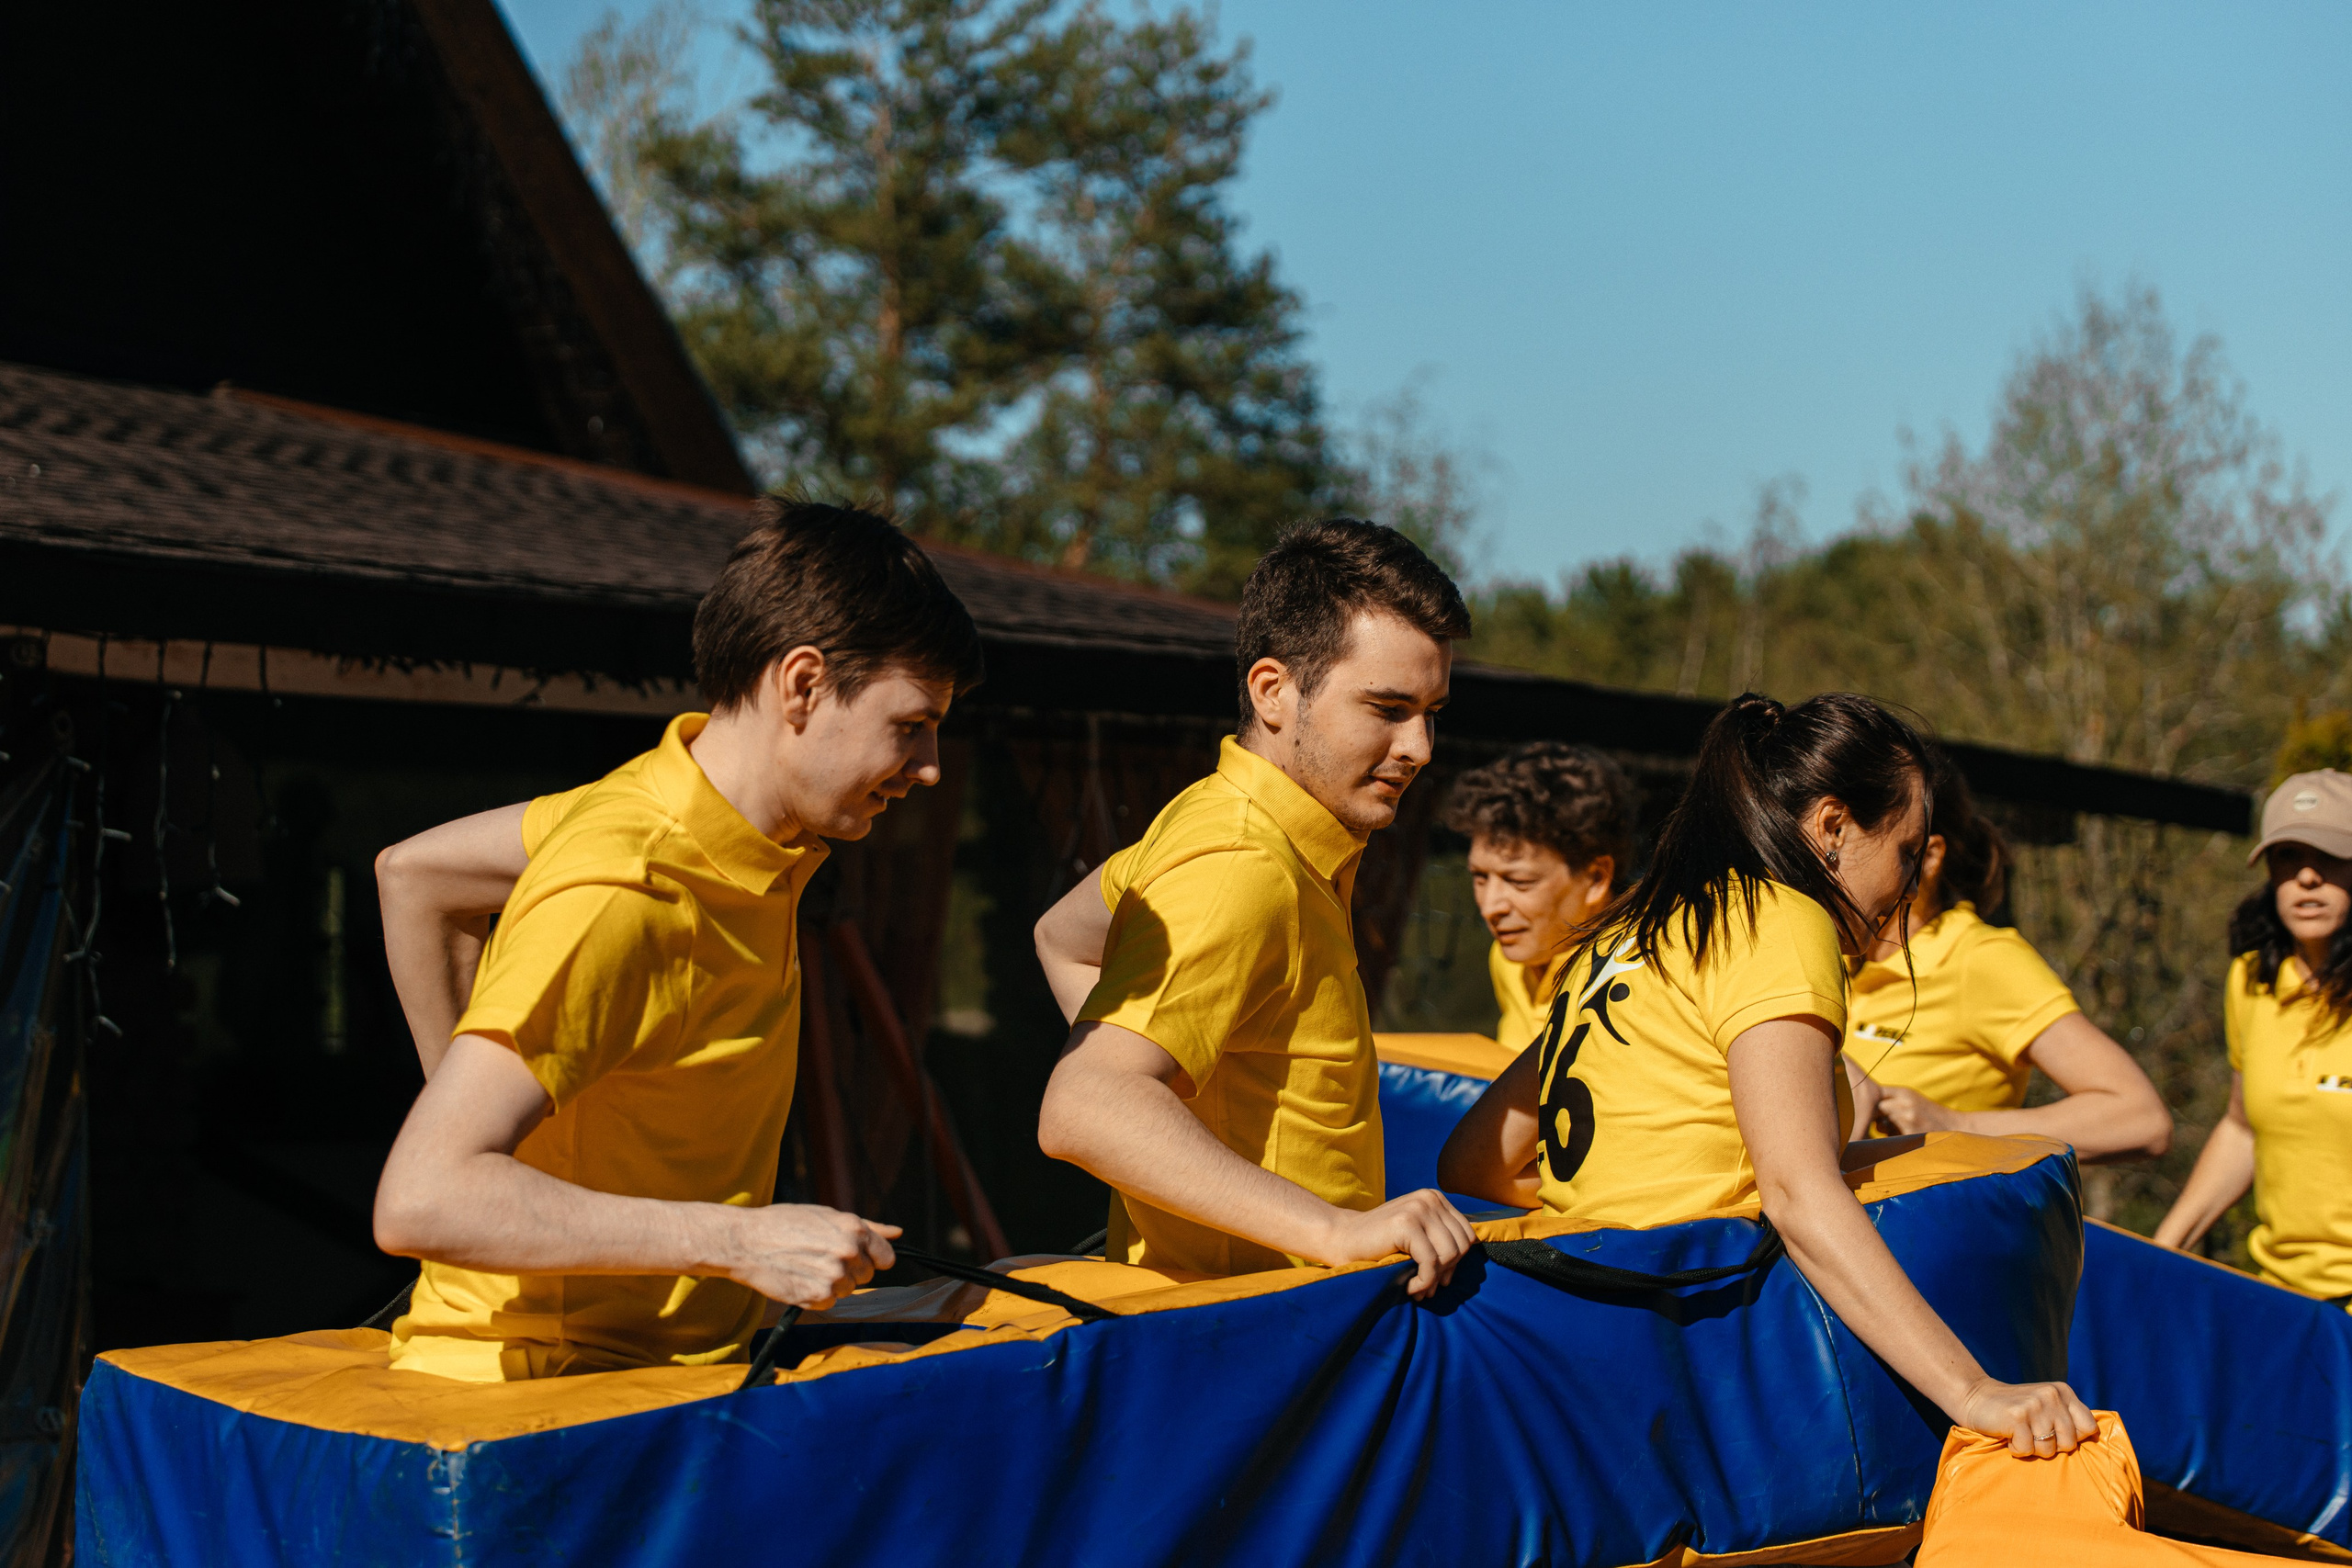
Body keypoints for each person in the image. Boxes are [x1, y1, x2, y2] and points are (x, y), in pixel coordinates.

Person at [368, 501, 982, 1381]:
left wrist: (503, 1115)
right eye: (911, 724)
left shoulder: (680, 817)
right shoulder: (631, 883)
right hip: (544, 1393)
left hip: (664, 1370)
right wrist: (738, 1240)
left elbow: (415, 874)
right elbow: (424, 1196)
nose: (928, 767)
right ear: (803, 685)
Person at [1437, 693, 2098, 1457]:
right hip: (1670, 1339)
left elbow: (1472, 1161)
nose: (1909, 886)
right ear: (1833, 826)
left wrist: (1617, 1199)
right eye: (1906, 852)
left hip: (1560, 1327)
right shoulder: (1783, 918)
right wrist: (1973, 1389)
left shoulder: (1632, 929)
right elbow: (1797, 1192)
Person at [1032, 520, 1479, 1301]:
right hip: (1248, 1333)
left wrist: (1181, 1089)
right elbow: (1084, 1104)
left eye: (1431, 711)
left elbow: (1061, 938)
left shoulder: (1222, 819)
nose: (1420, 745)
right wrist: (1330, 1231)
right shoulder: (1241, 862)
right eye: (1387, 708)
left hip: (1261, 1323)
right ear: (1272, 691)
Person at [1841, 760, 2171, 1163]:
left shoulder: (1979, 959)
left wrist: (1956, 1126)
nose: (1830, 857)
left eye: (1849, 836)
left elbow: (2139, 1118)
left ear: (1927, 857)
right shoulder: (1827, 953)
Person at [2154, 770, 2352, 1307]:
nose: (2307, 877)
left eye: (2331, 857)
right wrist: (2163, 1250)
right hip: (2282, 1303)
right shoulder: (2250, 981)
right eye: (2288, 857)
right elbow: (2242, 1127)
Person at [1443, 742, 1635, 1053]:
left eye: (1520, 881)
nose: (1490, 907)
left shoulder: (1644, 983)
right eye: (1480, 877)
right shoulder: (1508, 959)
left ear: (1596, 879)